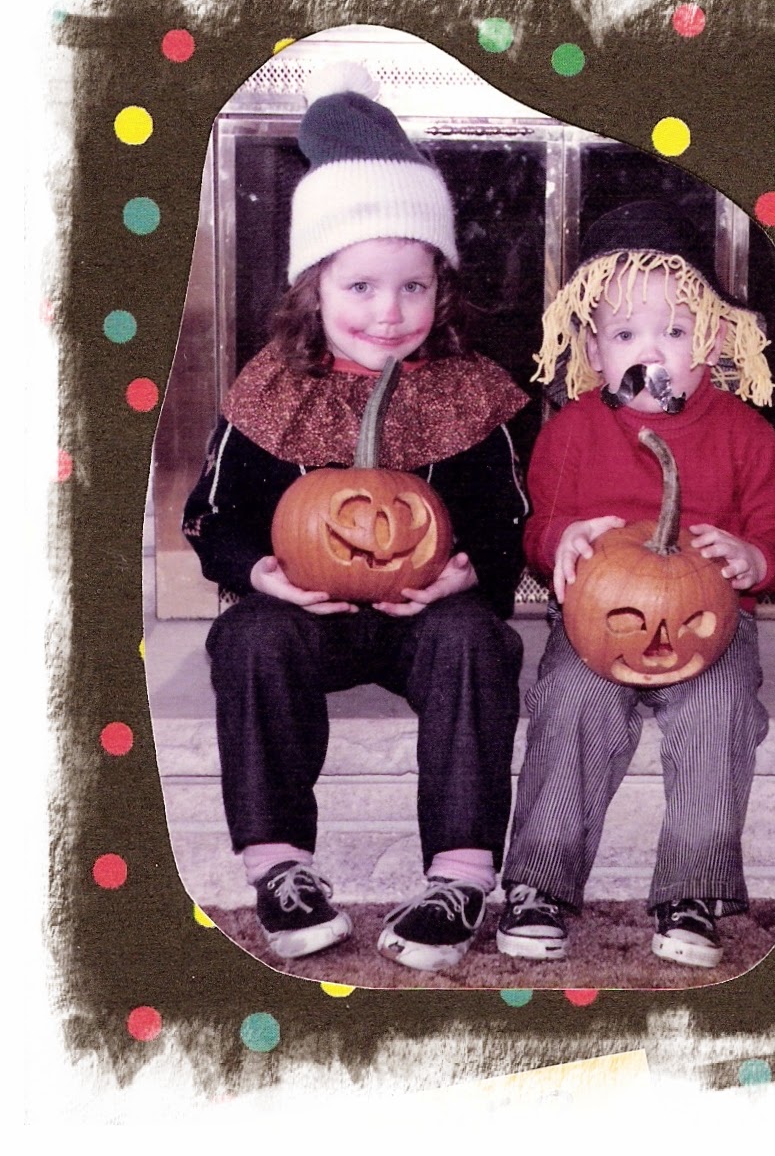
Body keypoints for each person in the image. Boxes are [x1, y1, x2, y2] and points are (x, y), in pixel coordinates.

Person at [183, 63, 529, 973]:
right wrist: (257, 571)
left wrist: (472, 570)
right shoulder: (273, 389)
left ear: (441, 290)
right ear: (314, 289)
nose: (389, 311)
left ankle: (459, 876)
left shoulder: (466, 390)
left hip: (426, 619)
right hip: (308, 615)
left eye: (414, 287)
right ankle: (280, 867)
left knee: (478, 643)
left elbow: (508, 514)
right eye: (362, 287)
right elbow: (210, 517)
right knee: (247, 640)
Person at [495, 200, 775, 969]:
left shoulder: (745, 433)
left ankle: (693, 888)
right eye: (626, 335)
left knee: (719, 709)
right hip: (594, 623)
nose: (651, 351)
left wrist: (755, 557)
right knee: (570, 701)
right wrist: (559, 540)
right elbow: (538, 529)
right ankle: (539, 881)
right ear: (593, 351)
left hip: (709, 624)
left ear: (712, 342)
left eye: (673, 331)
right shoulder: (570, 431)